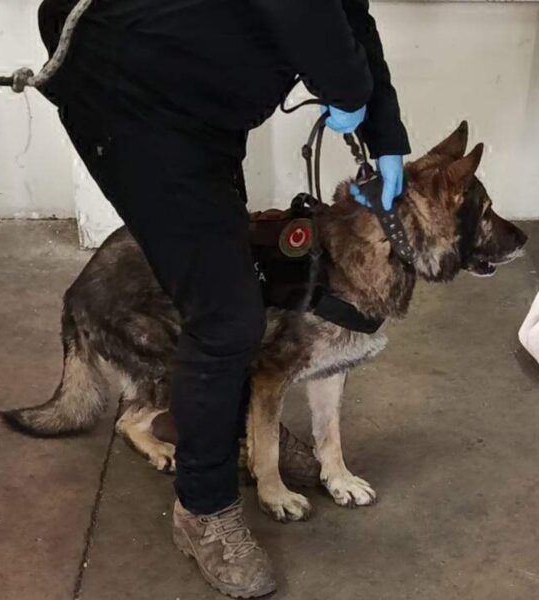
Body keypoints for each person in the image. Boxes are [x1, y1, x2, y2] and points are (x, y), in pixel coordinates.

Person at [37, 0, 409, 596]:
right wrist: (347, 86)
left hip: (198, 102)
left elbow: (349, 13)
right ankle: (204, 508)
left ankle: (239, 433)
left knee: (238, 287)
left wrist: (385, 132)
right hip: (131, 95)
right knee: (227, 317)